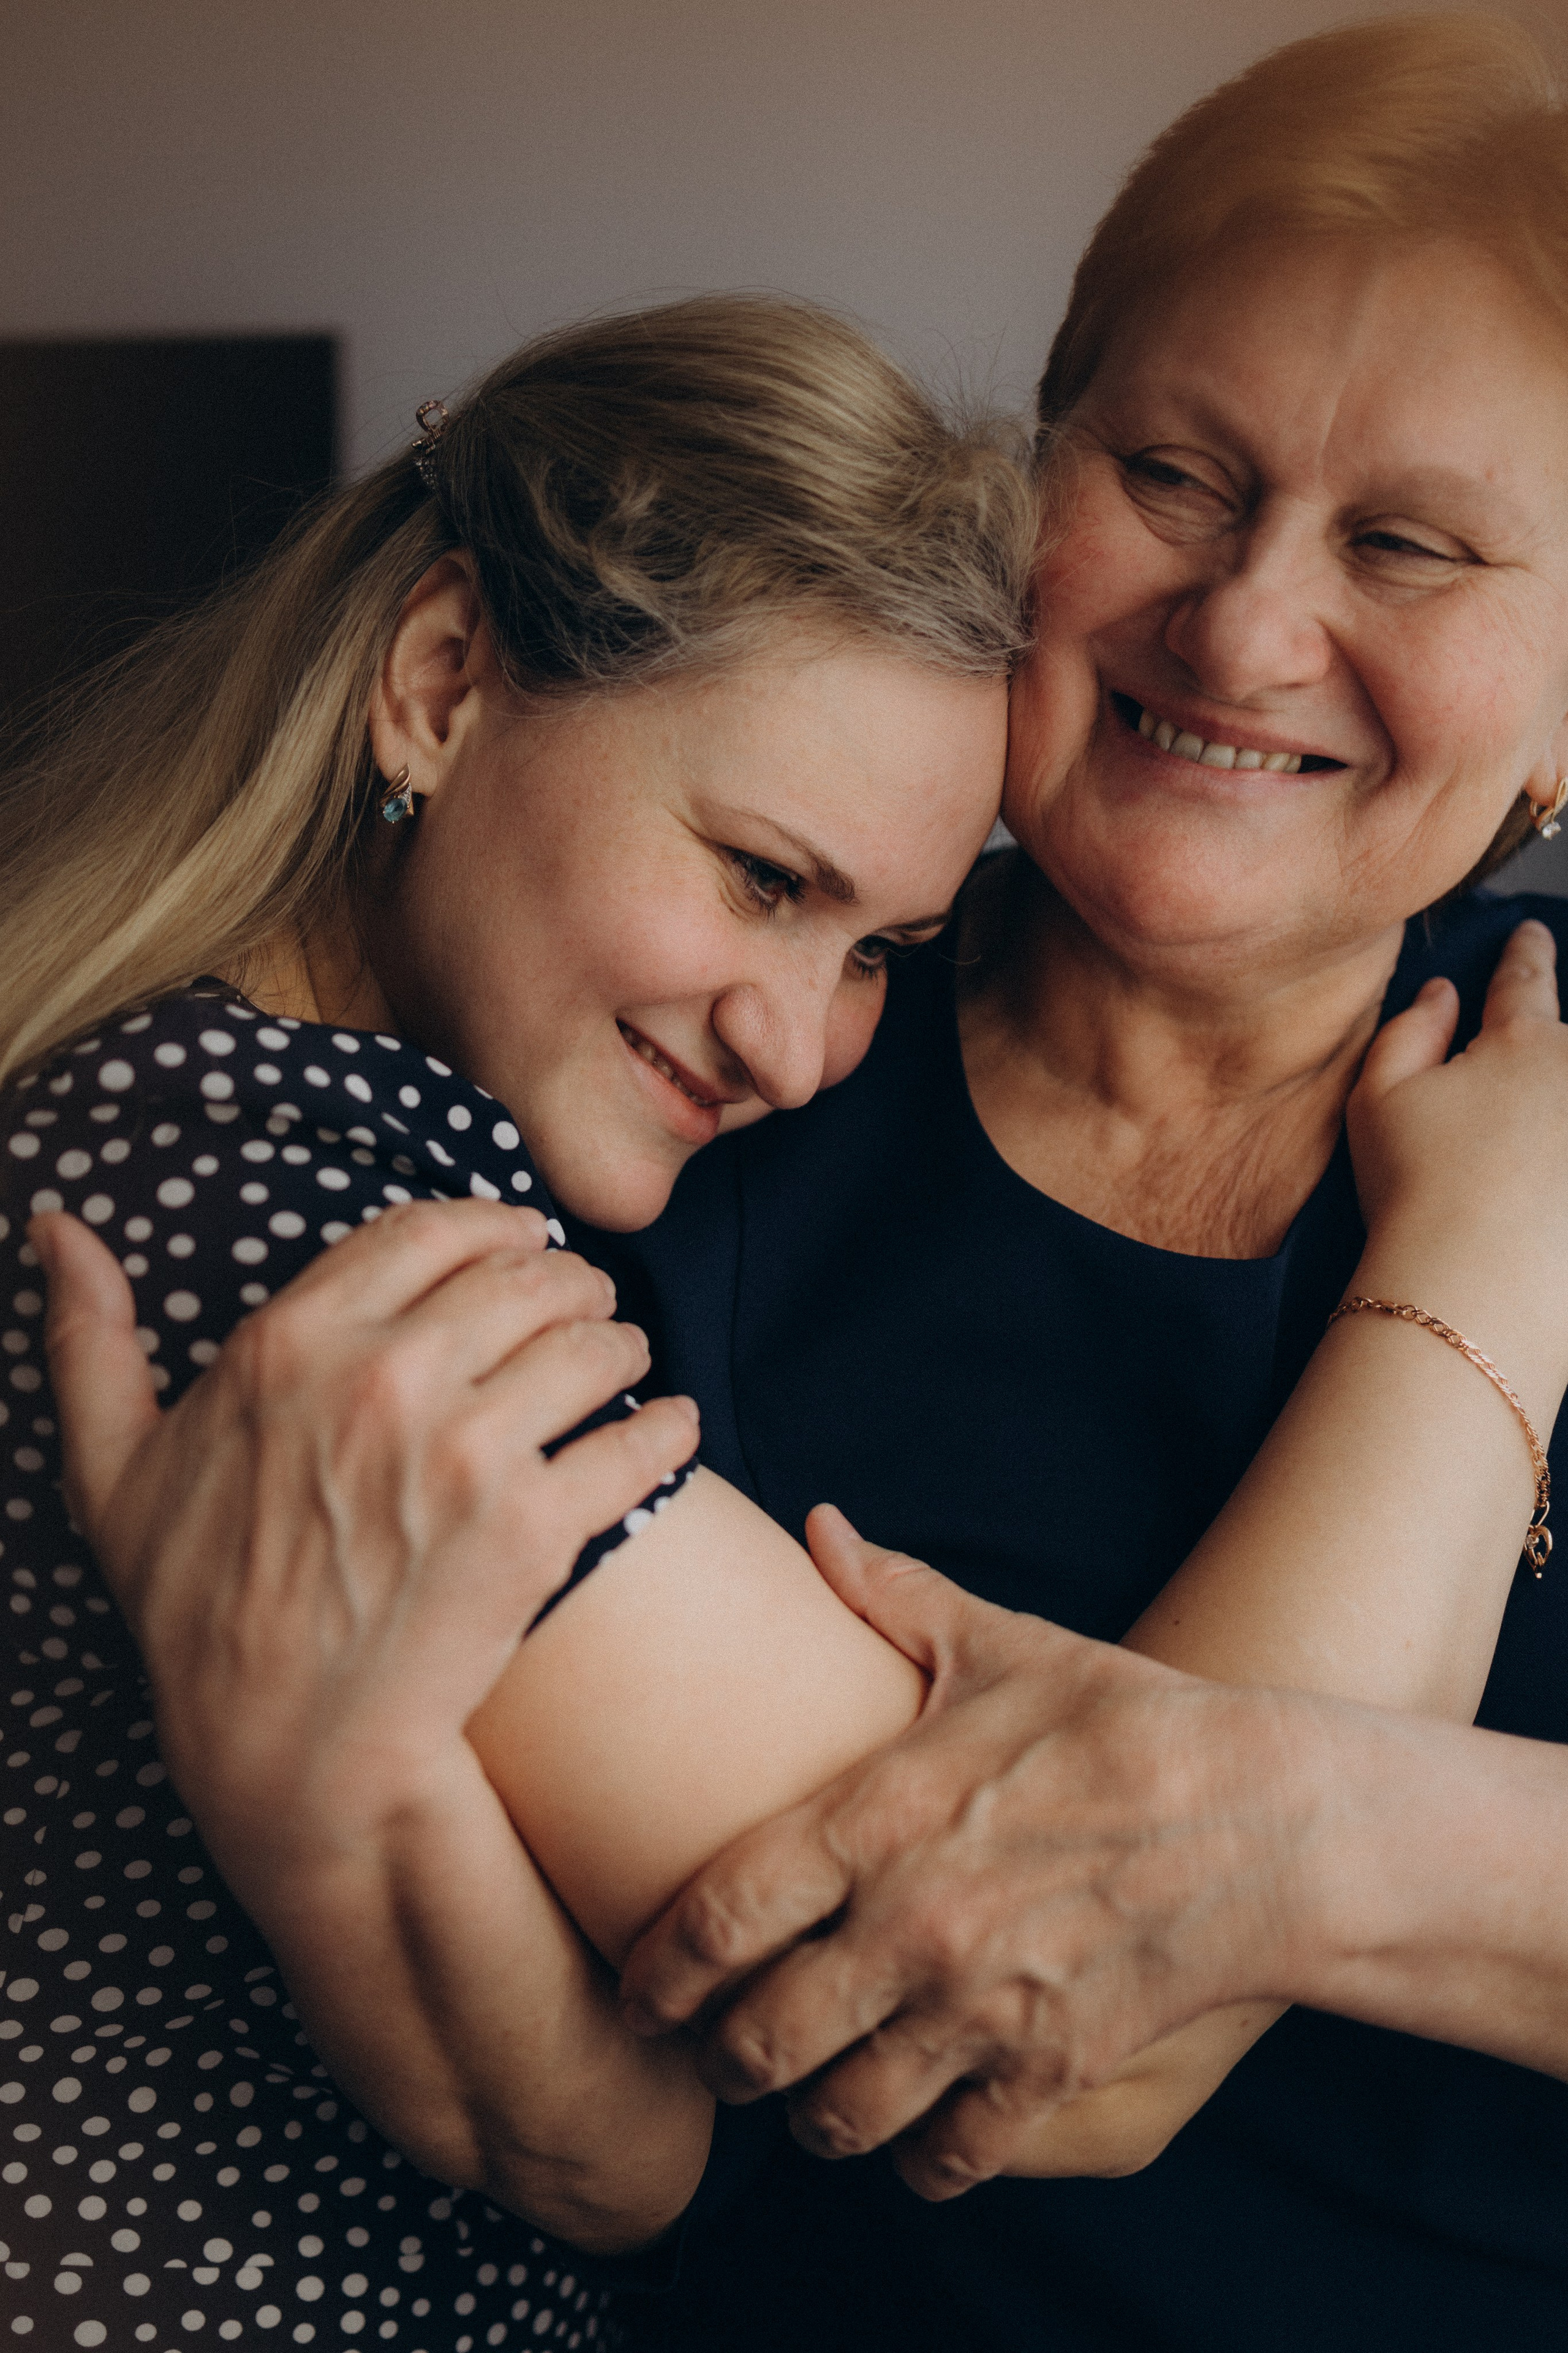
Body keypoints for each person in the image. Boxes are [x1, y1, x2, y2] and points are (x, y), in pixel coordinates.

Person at [10, 13, 1568, 2349]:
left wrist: (1358, 1820)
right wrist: (1488, 1298)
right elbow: (705, 2106)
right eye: (1168, 472)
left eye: (1411, 544)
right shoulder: (652, 1110)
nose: (1247, 626)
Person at [0, 294, 1034, 2350]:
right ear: (445, 681)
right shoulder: (290, 1207)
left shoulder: (219, 1101)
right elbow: (1001, 1948)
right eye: (760, 878)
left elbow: (606, 2144)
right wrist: (1469, 1294)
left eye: (881, 951)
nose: (803, 1045)